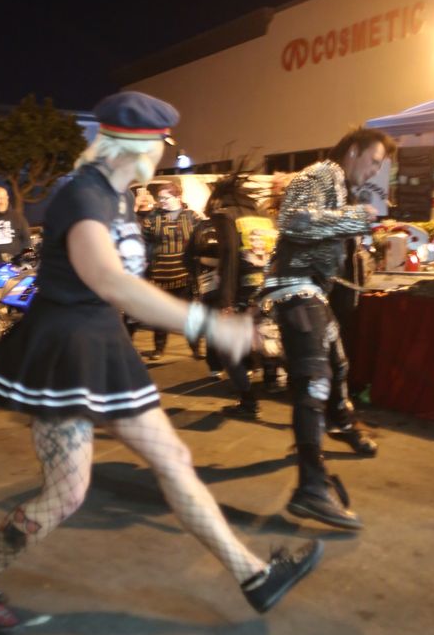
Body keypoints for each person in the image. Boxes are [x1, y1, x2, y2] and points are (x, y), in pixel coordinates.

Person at [0, 91, 323, 634]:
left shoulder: (122, 197)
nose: (165, 155)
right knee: (66, 493)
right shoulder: (82, 194)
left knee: (172, 457)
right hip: (64, 352)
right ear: (136, 145)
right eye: (161, 145)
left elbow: (121, 287)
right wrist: (208, 324)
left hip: (105, 344)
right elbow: (110, 281)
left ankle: (254, 575)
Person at [261, 127, 397, 531]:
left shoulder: (341, 186)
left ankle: (342, 424)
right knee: (315, 379)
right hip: (294, 287)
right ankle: (312, 486)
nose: (374, 171)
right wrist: (356, 217)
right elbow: (294, 221)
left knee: (337, 365)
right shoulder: (320, 174)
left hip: (311, 289)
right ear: (353, 150)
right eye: (374, 162)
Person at [206, 173, 280, 419]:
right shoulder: (265, 217)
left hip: (241, 293)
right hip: (266, 290)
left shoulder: (226, 215)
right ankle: (275, 380)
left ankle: (248, 401)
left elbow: (229, 258)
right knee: (267, 341)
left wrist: (226, 302)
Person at [140, 181, 201, 359]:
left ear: (178, 197)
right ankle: (159, 349)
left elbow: (199, 241)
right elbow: (143, 242)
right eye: (160, 198)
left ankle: (195, 348)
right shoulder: (152, 218)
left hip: (185, 275)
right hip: (160, 275)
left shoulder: (191, 217)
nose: (162, 202)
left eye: (165, 198)